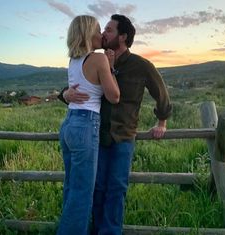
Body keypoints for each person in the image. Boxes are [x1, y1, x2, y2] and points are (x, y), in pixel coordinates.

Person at [60, 14, 172, 235]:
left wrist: (162, 122)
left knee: (116, 189)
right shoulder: (94, 59)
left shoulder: (141, 65)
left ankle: (109, 232)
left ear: (122, 37)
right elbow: (74, 86)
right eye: (102, 29)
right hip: (96, 136)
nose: (103, 34)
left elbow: (162, 94)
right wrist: (64, 94)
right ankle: (94, 229)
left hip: (124, 136)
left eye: (109, 30)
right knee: (96, 188)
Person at [56, 15, 120, 235]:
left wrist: (65, 94)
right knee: (83, 193)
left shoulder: (73, 61)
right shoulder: (99, 59)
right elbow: (114, 96)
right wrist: (110, 67)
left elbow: (75, 90)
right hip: (86, 125)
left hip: (69, 124)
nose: (101, 34)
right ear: (88, 34)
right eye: (98, 30)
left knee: (72, 187)